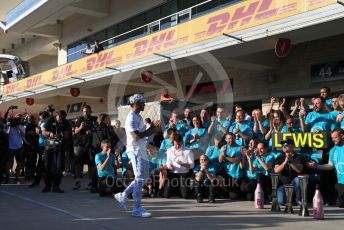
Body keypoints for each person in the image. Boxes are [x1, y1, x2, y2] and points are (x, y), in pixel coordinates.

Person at [114, 94, 161, 218]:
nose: (144, 104)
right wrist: (153, 129)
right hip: (135, 151)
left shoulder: (138, 117)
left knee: (143, 178)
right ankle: (137, 208)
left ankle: (123, 195)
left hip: (141, 150)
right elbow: (135, 136)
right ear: (135, 103)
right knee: (140, 178)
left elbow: (143, 136)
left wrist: (152, 129)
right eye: (142, 102)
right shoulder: (131, 118)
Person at [307, 128, 344, 208]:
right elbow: (330, 165)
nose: (333, 140)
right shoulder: (333, 150)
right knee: (340, 204)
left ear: (342, 136)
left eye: (335, 137)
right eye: (332, 138)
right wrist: (317, 166)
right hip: (341, 182)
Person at [73, 105, 97, 190]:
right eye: (84, 111)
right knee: (78, 164)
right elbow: (75, 131)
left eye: (87, 111)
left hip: (90, 145)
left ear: (90, 111)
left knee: (91, 164)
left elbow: (97, 130)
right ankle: (78, 181)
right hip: (80, 145)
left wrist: (91, 131)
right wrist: (80, 127)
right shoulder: (80, 119)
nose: (85, 113)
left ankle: (90, 182)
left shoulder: (94, 119)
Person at [274, 139, 304, 206]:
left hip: (295, 184)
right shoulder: (280, 158)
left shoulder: (298, 157)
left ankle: (298, 200)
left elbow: (299, 170)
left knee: (298, 179)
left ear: (292, 146)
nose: (284, 146)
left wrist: (291, 162)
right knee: (281, 201)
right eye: (283, 145)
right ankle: (290, 199)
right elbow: (276, 170)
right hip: (284, 185)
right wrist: (285, 162)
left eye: (286, 145)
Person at [165, 133, 194, 199]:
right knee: (166, 195)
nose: (177, 146)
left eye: (179, 144)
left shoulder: (188, 151)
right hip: (172, 173)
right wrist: (169, 166)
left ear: (182, 142)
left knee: (185, 196)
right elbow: (168, 162)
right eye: (175, 144)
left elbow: (192, 165)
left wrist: (182, 164)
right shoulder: (169, 150)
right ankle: (176, 190)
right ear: (173, 142)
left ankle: (183, 190)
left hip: (183, 174)